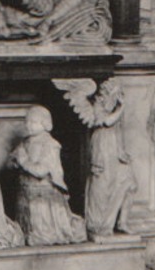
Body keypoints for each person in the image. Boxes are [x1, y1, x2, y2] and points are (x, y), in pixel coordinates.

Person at [9, 106, 86, 247]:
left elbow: (40, 171)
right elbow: (12, 162)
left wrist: (23, 161)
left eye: (33, 122)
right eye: (27, 122)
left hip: (42, 194)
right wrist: (14, 162)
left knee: (41, 233)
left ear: (45, 124)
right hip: (26, 191)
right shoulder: (25, 142)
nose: (28, 125)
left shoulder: (50, 145)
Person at [84, 82, 136, 241]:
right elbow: (107, 122)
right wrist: (121, 107)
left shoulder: (115, 110)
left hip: (114, 150)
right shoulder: (97, 106)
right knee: (103, 188)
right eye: (116, 95)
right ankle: (100, 225)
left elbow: (117, 131)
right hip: (102, 149)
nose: (118, 99)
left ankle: (122, 221)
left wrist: (121, 152)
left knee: (130, 183)